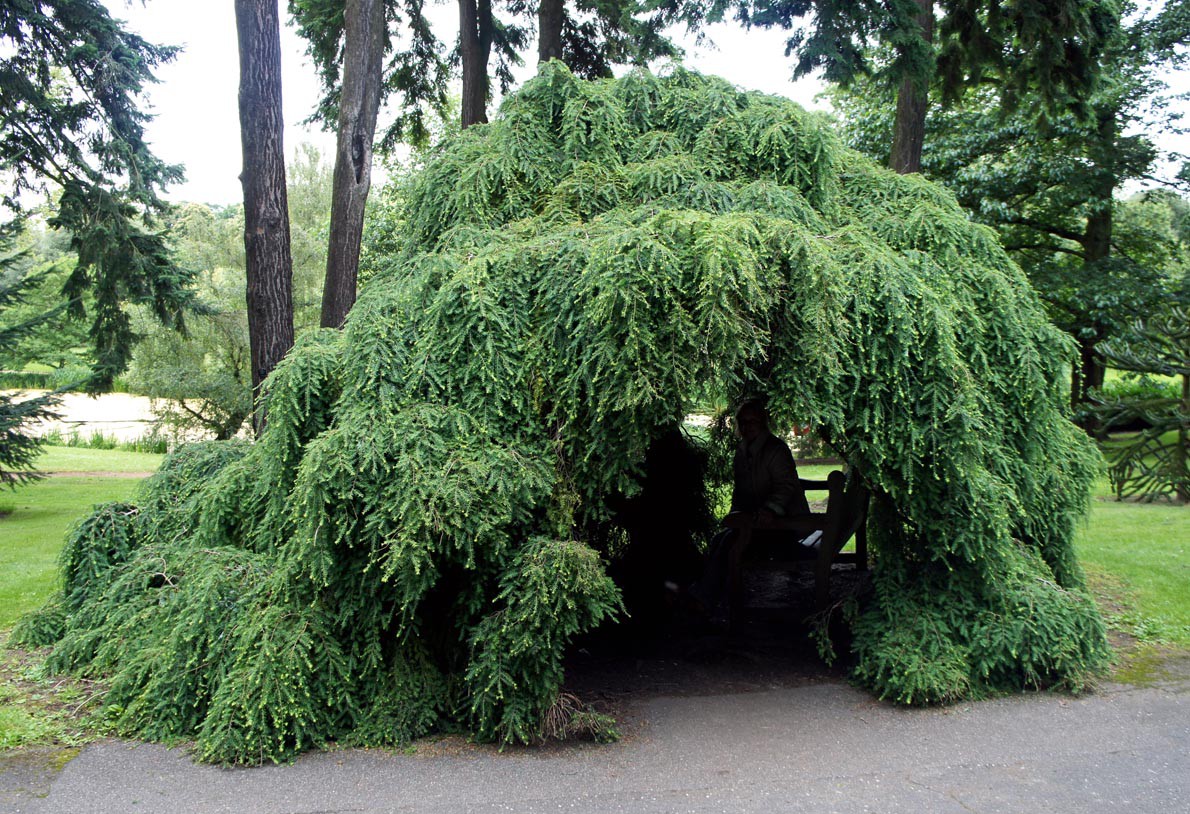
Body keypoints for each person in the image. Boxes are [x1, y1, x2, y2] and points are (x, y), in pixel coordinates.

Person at [686, 399, 809, 623]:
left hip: (783, 526)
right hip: (756, 524)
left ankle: (704, 600)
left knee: (729, 544)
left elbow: (786, 487)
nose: (747, 426)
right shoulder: (742, 451)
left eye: (752, 421)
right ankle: (706, 596)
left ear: (763, 422)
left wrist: (770, 510)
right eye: (742, 422)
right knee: (720, 540)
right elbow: (741, 491)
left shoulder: (775, 449)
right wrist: (735, 515)